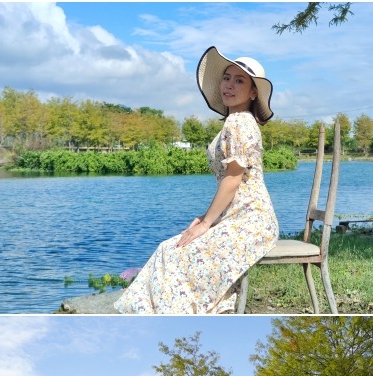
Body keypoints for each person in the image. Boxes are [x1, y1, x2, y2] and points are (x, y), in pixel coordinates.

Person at [116, 47, 278, 313]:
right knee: (171, 248)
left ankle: (176, 313)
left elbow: (234, 178)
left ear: (252, 93)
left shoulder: (239, 123)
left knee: (173, 253)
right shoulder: (236, 122)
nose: (229, 85)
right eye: (227, 78)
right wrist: (206, 216)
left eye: (240, 81)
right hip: (240, 217)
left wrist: (206, 223)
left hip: (251, 222)